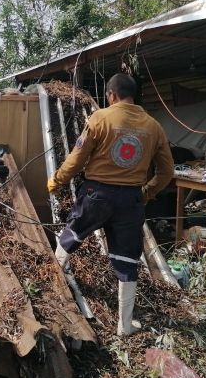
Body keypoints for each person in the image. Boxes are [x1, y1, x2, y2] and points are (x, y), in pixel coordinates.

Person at [47, 73, 174, 336]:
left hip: (97, 195)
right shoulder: (154, 126)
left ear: (112, 94)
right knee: (127, 260)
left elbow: (77, 159)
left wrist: (56, 181)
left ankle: (49, 291)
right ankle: (124, 326)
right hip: (131, 200)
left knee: (71, 236)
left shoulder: (100, 118)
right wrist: (147, 192)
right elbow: (166, 171)